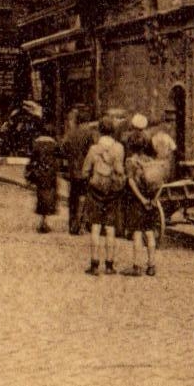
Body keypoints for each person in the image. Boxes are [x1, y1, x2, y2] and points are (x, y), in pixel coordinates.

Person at [80, 114, 125, 275]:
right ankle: (110, 264)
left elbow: (85, 172)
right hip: (112, 191)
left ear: (99, 130)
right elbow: (121, 170)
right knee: (111, 228)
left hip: (96, 190)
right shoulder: (119, 148)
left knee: (95, 227)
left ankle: (94, 264)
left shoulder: (94, 149)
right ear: (113, 131)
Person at [122, 113, 161, 277]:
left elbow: (130, 182)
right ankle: (151, 265)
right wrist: (154, 199)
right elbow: (160, 182)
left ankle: (137, 266)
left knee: (137, 232)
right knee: (150, 232)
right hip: (152, 199)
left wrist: (142, 199)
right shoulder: (151, 163)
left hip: (137, 200)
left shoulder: (131, 162)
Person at [25, 111, 61, 234]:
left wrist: (29, 172)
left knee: (40, 196)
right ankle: (46, 221)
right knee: (50, 196)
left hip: (40, 173)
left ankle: (42, 221)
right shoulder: (54, 144)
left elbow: (32, 159)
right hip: (50, 174)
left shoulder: (36, 143)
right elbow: (59, 157)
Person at [62, 107, 96, 235]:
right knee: (85, 198)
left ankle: (72, 225)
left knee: (73, 198)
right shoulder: (88, 134)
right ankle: (82, 224)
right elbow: (91, 152)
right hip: (85, 171)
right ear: (86, 121)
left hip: (73, 170)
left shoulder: (70, 133)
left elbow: (63, 148)